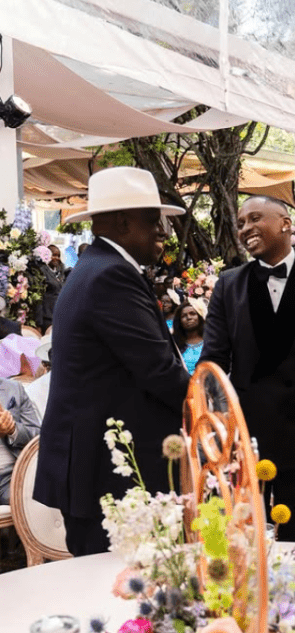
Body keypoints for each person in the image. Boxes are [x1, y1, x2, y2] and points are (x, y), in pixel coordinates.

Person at [33, 166, 191, 556]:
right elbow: (159, 371)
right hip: (108, 474)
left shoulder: (98, 267)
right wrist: (218, 405)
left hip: (103, 469)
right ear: (123, 223)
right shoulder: (111, 275)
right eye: (153, 221)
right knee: (115, 586)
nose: (162, 232)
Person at [201, 195, 295, 543]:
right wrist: (221, 435)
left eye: (255, 218)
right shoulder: (229, 285)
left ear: (285, 223)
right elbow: (214, 366)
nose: (245, 228)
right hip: (243, 442)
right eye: (241, 223)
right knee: (240, 545)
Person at [0, 377, 40, 504]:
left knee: (38, 500)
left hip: (11, 477)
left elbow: (37, 436)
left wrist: (13, 430)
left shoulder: (15, 389)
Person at [172, 300, 206, 374]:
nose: (188, 317)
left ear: (199, 316)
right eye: (184, 316)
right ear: (179, 321)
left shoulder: (210, 341)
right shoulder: (174, 344)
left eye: (192, 314)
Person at [36, 245, 65, 329]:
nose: (57, 258)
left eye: (58, 256)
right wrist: (39, 323)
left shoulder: (61, 270)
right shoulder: (41, 271)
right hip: (47, 317)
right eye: (54, 255)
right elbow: (39, 298)